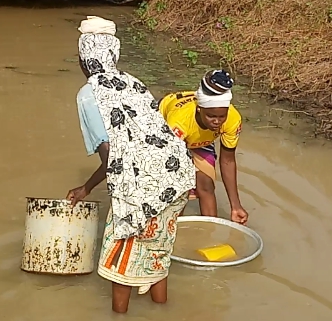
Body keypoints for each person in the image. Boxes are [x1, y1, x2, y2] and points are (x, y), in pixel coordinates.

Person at [66, 16, 196, 314]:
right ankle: (162, 311)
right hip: (177, 178)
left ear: (84, 57)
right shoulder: (131, 82)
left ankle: (118, 316)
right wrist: (86, 188)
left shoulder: (89, 95)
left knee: (119, 262)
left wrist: (91, 188)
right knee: (156, 252)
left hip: (143, 185)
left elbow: (113, 156)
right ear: (114, 53)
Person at [158, 69, 249, 225]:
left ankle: (209, 233)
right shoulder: (178, 123)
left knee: (206, 185)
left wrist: (235, 206)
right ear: (199, 110)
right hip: (169, 137)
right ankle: (172, 230)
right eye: (211, 116)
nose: (217, 122)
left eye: (221, 116)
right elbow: (167, 164)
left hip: (200, 140)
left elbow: (227, 161)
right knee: (179, 191)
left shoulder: (232, 120)